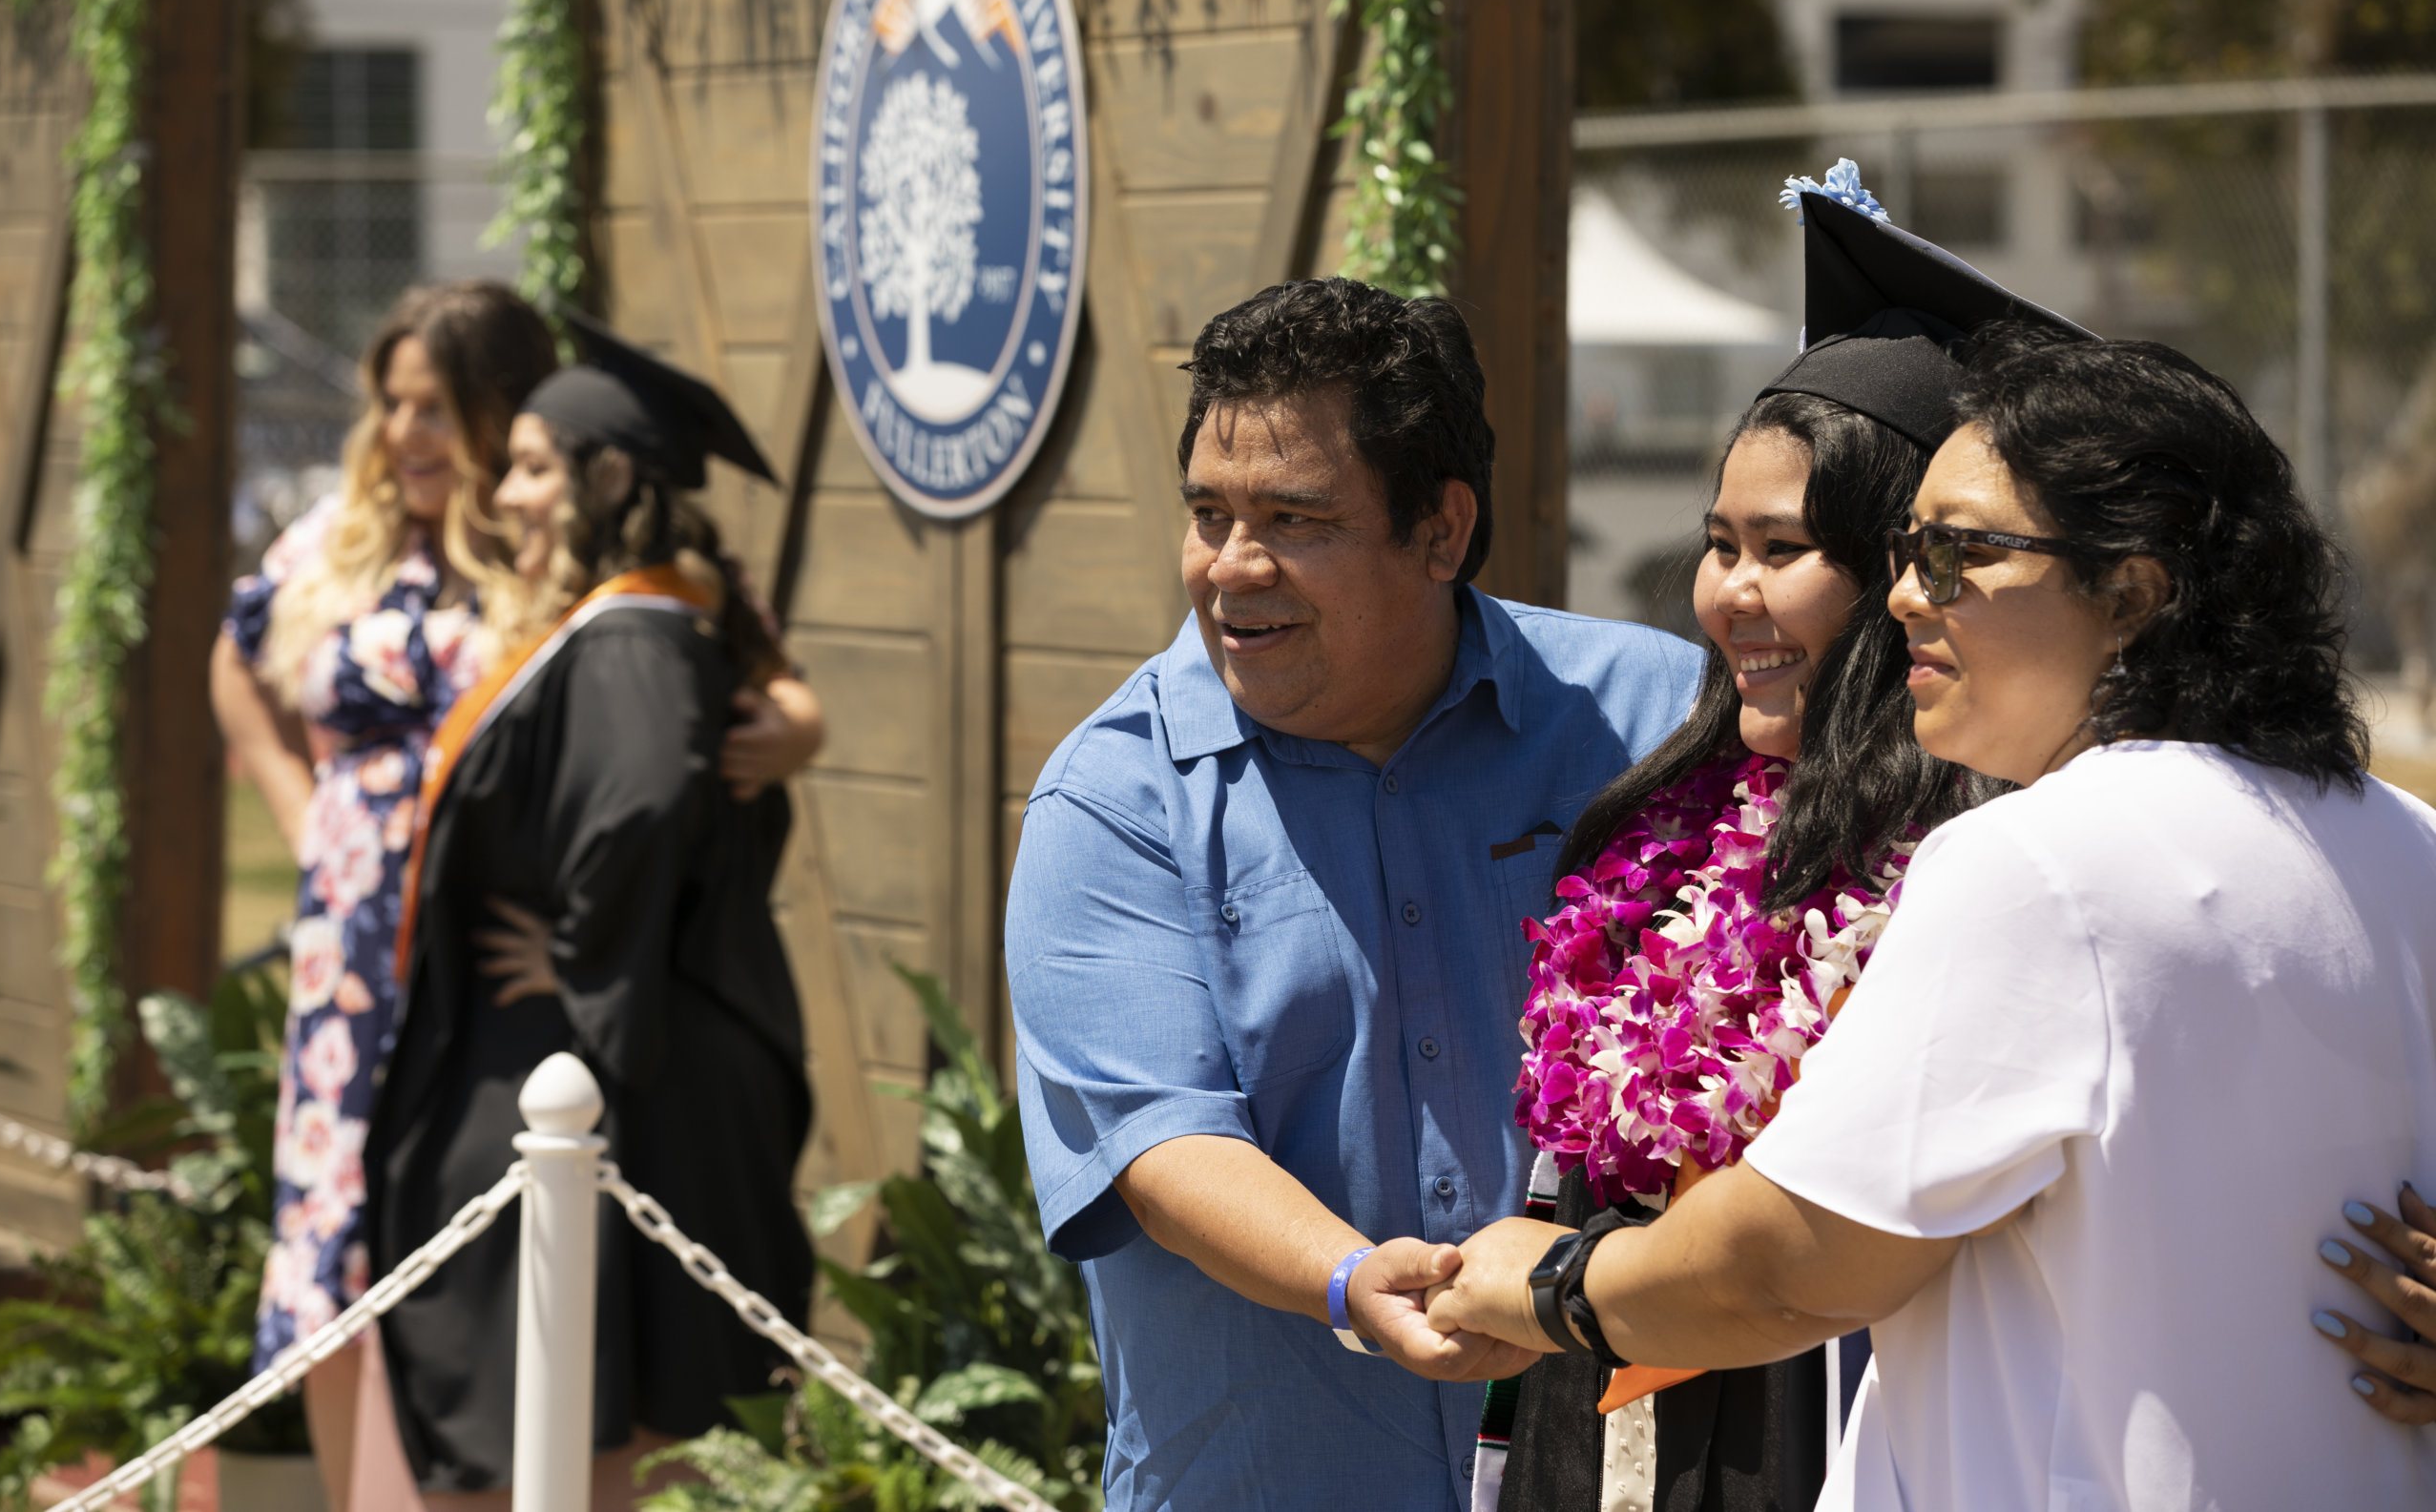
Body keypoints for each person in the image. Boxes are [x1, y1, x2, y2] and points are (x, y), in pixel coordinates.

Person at [1425, 330, 2436, 1508]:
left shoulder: (2038, 863)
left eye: (1958, 554)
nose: (1902, 594)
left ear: (2132, 592)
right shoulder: (2403, 838)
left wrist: (1545, 1286)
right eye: (1906, 549)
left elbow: (1789, 1266)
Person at [1002, 277, 1703, 1511]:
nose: (1232, 566)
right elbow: (1164, 1143)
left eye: (1293, 516)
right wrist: (1348, 1278)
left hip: (1609, 1471)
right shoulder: (1111, 799)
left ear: (1440, 528)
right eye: (1208, 511)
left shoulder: (1653, 723)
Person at [1484, 169, 2088, 1512]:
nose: (1731, 595)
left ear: (1900, 576)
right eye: (1717, 544)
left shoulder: (1987, 854)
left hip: (1846, 1421)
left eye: (1783, 549)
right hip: (1603, 1411)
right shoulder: (1649, 829)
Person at [212, 284, 823, 1512]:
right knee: (347, 1256)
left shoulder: (576, 578)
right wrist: (304, 817)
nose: (406, 431)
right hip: (359, 956)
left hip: (487, 975)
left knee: (505, 1265)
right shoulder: (341, 538)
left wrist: (592, 954)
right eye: (390, 403)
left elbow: (727, 693)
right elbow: (237, 657)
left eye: (438, 405)